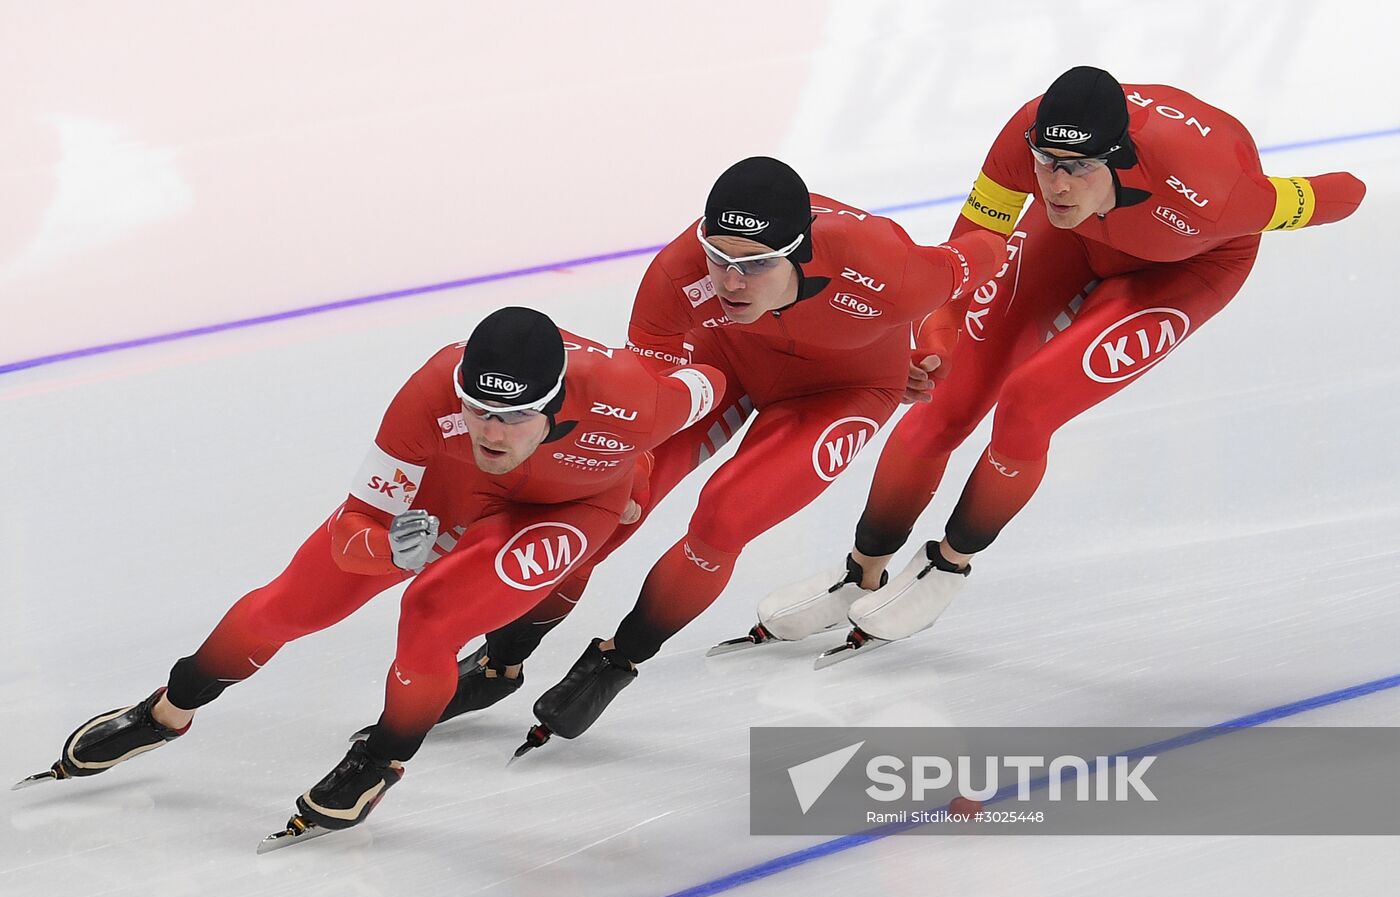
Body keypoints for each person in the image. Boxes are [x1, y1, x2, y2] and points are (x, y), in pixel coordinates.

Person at [20, 306, 725, 842]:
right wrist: (389, 550)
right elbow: (358, 521)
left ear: (554, 406)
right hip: (442, 497)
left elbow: (714, 382)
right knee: (287, 605)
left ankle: (382, 760)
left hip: (565, 507)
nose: (489, 431)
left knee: (430, 612)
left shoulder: (627, 396)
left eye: (512, 417)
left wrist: (639, 462)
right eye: (477, 407)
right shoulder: (429, 392)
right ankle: (167, 709)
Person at [753, 65, 1367, 662]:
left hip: (1183, 269)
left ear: (1119, 158)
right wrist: (939, 327)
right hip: (1072, 239)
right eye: (1048, 164)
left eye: (1077, 168)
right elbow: (973, 241)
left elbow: (1346, 192)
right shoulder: (1026, 142)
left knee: (1029, 402)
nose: (1057, 184)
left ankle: (950, 563)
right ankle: (862, 572)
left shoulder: (1216, 194)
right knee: (947, 392)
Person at [410, 156, 1008, 755]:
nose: (730, 282)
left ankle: (621, 659)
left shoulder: (887, 268)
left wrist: (933, 346)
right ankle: (502, 661)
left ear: (799, 253)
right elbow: (642, 402)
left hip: (841, 391)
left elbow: (983, 251)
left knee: (726, 513)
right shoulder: (677, 274)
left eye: (755, 265)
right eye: (719, 258)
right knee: (607, 506)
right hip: (719, 365)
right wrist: (633, 474)